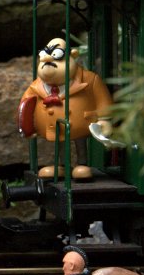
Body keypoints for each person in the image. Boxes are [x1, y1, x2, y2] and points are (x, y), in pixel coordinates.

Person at [18, 38, 114, 180]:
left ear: (73, 56)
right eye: (44, 58)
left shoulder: (90, 79)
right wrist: (27, 127)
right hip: (54, 128)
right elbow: (25, 106)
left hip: (81, 125)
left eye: (57, 57)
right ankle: (62, 166)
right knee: (60, 143)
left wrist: (104, 120)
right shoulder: (35, 86)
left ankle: (82, 163)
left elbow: (103, 101)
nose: (49, 61)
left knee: (80, 142)